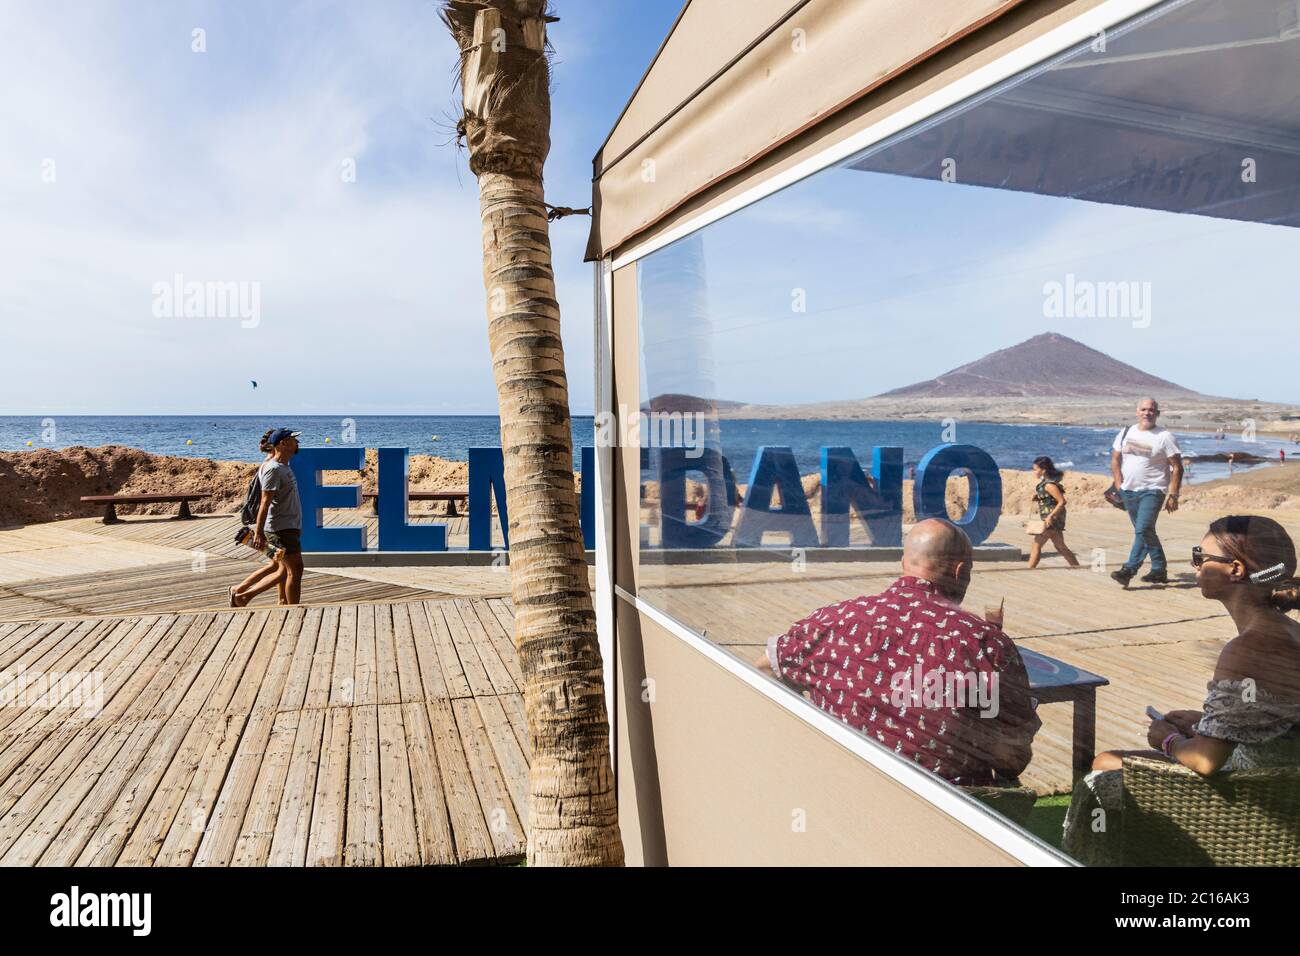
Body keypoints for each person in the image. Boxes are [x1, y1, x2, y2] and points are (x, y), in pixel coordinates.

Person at [1063, 516, 1300, 860]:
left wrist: (1168, 739)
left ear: (1235, 569)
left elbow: (1205, 761)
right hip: (1280, 783)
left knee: (1104, 764)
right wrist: (1205, 723)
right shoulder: (1288, 631)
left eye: (1201, 557)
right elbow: (1277, 717)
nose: (1195, 566)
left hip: (1247, 797)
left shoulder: (1248, 647)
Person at [755, 518, 1041, 786]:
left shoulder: (831, 621)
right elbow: (1012, 759)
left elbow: (765, 669)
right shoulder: (983, 642)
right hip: (946, 819)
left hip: (841, 796)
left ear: (903, 563)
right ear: (960, 572)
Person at [1110, 398, 1183, 587]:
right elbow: (1116, 459)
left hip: (1153, 491)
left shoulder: (1165, 436)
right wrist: (1119, 484)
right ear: (1137, 412)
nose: (1147, 413)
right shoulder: (1126, 432)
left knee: (1142, 530)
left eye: (1151, 410)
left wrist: (1173, 495)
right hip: (1128, 492)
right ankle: (1159, 570)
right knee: (1145, 531)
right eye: (1143, 409)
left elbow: (1177, 467)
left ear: (1157, 413)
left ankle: (1128, 570)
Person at [232, 428, 304, 606]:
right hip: (280, 528)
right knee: (295, 570)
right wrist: (258, 533)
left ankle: (256, 598)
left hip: (287, 526)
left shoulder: (282, 466)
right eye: (293, 439)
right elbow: (265, 502)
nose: (297, 442)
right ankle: (294, 610)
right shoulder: (273, 469)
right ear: (283, 443)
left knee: (282, 569)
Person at [1027, 456, 1080, 569]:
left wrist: (1050, 516)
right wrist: (1039, 497)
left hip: (1052, 519)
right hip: (1053, 519)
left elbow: (1062, 501)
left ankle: (1030, 570)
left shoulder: (1049, 485)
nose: (1034, 471)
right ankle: (1076, 567)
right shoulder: (1045, 483)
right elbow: (1051, 499)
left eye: (1036, 469)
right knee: (1060, 546)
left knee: (1036, 544)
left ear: (1043, 470)